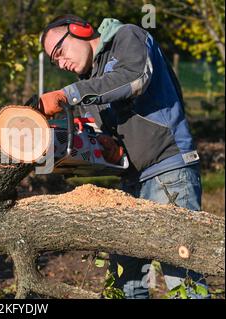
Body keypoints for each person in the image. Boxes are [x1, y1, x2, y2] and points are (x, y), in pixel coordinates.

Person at [39, 14, 208, 299]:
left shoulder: (127, 37)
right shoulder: (89, 81)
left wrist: (69, 94)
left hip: (169, 172)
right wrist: (109, 146)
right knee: (125, 281)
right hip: (132, 184)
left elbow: (135, 77)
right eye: (55, 61)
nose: (61, 62)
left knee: (182, 275)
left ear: (80, 30)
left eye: (60, 52)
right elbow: (108, 132)